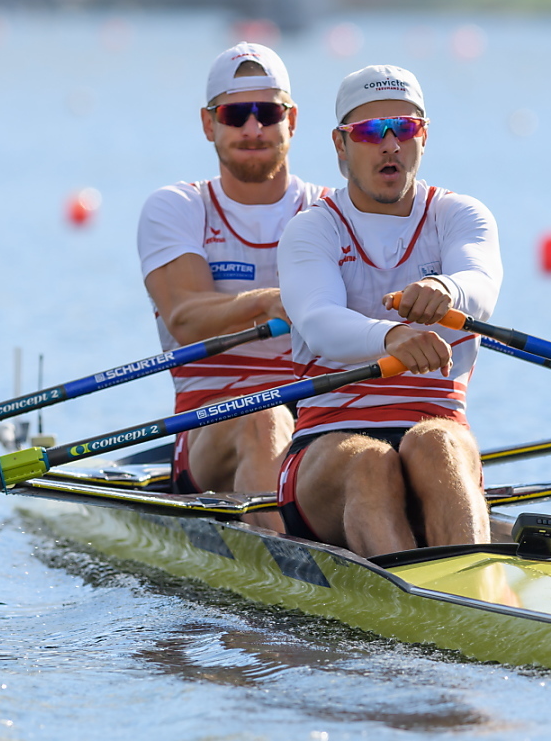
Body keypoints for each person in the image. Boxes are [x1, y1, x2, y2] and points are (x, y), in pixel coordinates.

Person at [275, 64, 502, 556]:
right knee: (373, 463)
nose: (389, 144)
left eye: (404, 128)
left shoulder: (460, 216)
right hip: (328, 445)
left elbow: (480, 286)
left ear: (424, 137)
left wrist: (446, 289)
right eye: (369, 132)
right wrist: (391, 337)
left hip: (436, 429)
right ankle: (427, 606)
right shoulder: (312, 230)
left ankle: (469, 599)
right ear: (341, 145)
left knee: (436, 444)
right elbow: (318, 324)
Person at [136, 43, 328, 529]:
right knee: (263, 418)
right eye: (234, 113)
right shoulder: (178, 208)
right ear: (208, 124)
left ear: (292, 119)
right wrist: (271, 300)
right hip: (210, 429)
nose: (252, 128)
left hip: (317, 422)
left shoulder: (331, 212)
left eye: (266, 112)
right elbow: (185, 319)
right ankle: (286, 583)